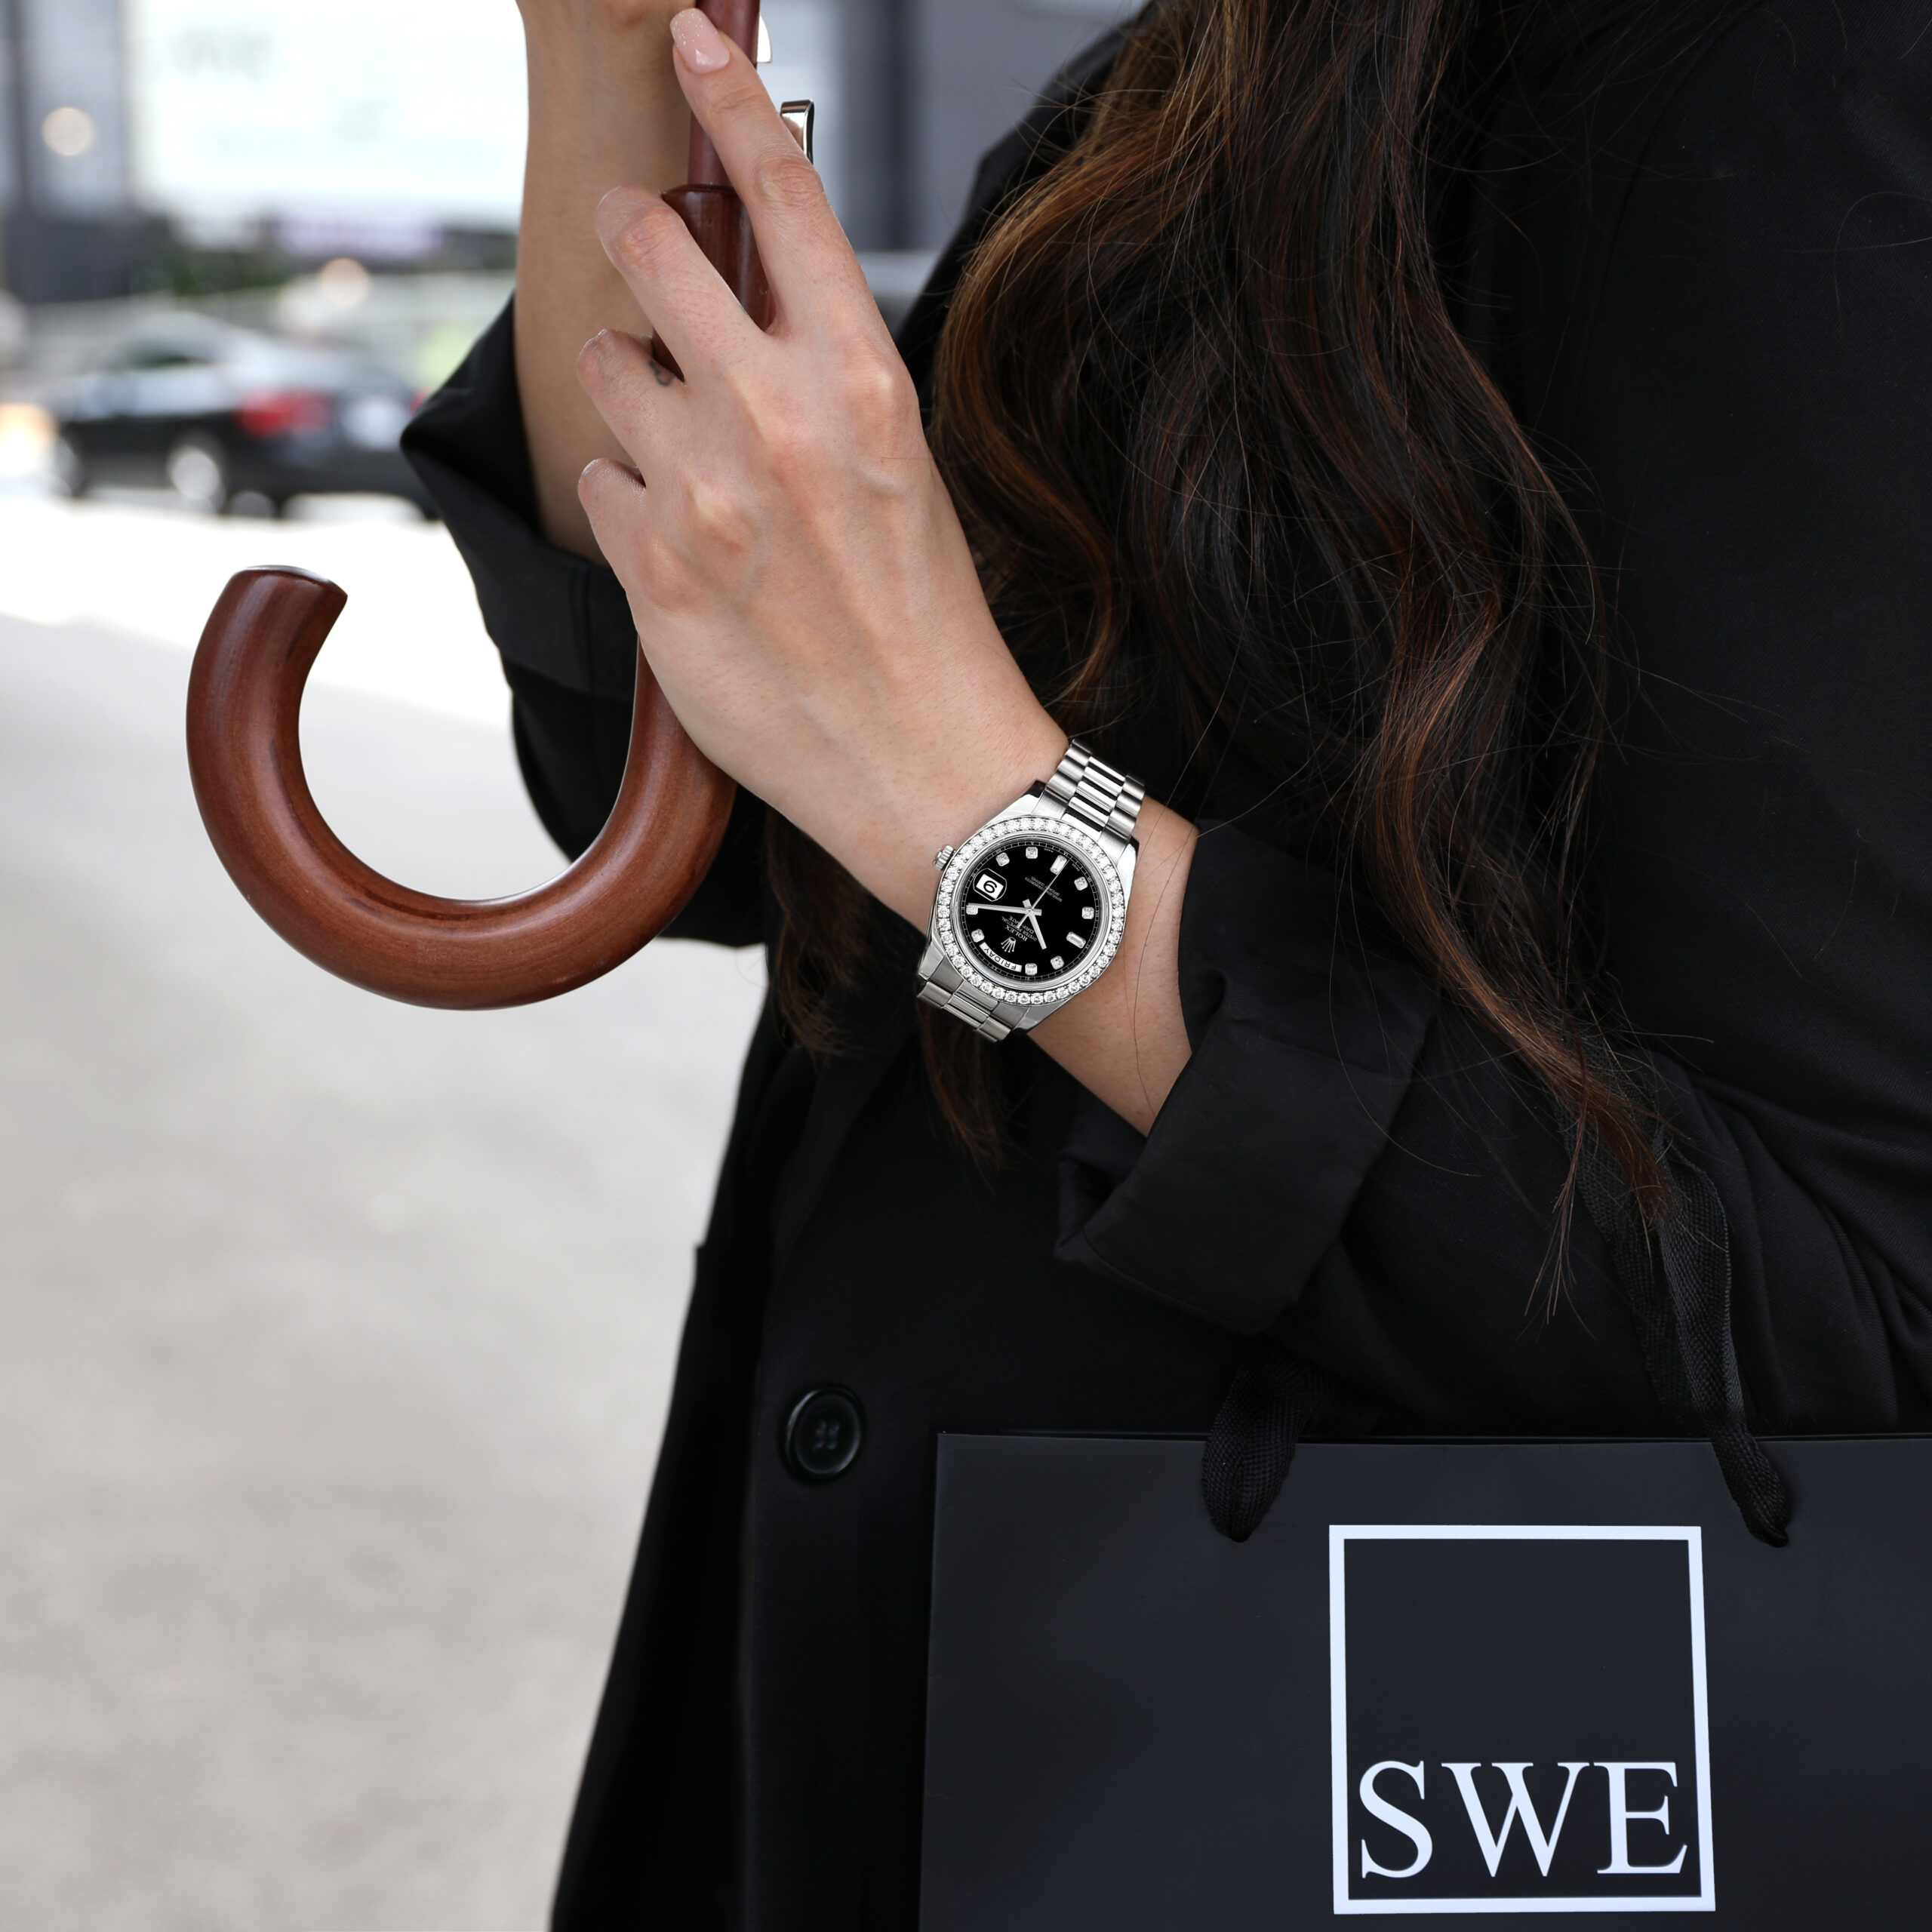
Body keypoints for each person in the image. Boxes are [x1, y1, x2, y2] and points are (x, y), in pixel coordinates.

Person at [401, 0, 1932, 1922]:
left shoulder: (1778, 84)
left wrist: (983, 810)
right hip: (905, 1699)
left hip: (1261, 1757)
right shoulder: (1179, 84)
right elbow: (674, 789)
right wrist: (611, 52)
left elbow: (1851, 1297)